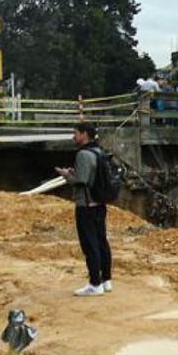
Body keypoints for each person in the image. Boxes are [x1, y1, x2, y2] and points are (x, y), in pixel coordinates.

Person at [55, 122, 113, 297]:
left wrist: (66, 175)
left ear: (84, 134)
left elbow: (81, 180)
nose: (74, 137)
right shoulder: (99, 152)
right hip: (99, 204)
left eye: (76, 133)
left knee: (90, 244)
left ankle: (94, 283)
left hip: (86, 205)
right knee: (102, 241)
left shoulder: (83, 154)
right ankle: (106, 280)